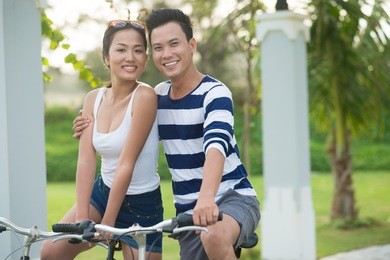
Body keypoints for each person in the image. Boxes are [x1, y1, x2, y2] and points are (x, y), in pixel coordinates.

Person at [73, 8, 260, 260]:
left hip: (233, 196)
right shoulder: (157, 96)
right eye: (158, 47)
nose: (167, 54)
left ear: (192, 45)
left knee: (214, 235)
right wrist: (87, 125)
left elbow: (216, 145)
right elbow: (124, 124)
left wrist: (206, 198)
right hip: (188, 212)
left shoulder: (215, 93)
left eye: (174, 44)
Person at [41, 19, 163, 260]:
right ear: (106, 57)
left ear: (145, 59)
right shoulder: (92, 99)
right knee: (51, 252)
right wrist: (82, 216)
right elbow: (86, 160)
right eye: (121, 49)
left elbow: (126, 163)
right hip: (103, 191)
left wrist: (107, 223)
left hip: (141, 205)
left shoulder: (145, 96)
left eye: (138, 50)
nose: (130, 57)